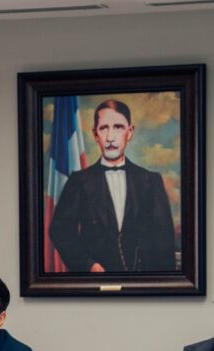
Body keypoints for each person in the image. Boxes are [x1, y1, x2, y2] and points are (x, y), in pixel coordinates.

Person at [48, 99, 176, 273]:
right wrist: (88, 264)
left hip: (143, 286)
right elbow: (60, 230)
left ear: (129, 132)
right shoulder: (78, 181)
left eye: (118, 127)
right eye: (104, 128)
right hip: (95, 288)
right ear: (95, 134)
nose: (110, 137)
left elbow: (164, 242)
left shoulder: (151, 181)